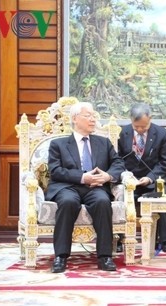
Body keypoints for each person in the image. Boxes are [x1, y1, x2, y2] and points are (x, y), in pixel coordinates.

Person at [46, 102, 126, 273]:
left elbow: (118, 163)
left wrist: (108, 176)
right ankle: (60, 256)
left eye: (94, 116)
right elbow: (56, 171)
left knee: (102, 202)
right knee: (68, 202)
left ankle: (105, 256)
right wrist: (82, 177)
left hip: (96, 187)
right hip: (67, 187)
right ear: (75, 119)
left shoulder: (103, 143)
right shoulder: (58, 145)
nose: (93, 119)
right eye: (88, 115)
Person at [117, 103, 166, 253]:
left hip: (155, 179)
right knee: (120, 195)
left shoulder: (162, 134)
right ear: (131, 120)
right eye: (137, 127)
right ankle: (118, 237)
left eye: (144, 126)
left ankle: (165, 240)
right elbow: (118, 159)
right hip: (130, 180)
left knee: (163, 196)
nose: (140, 130)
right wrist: (127, 176)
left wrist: (150, 178)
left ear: (150, 118)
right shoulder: (124, 133)